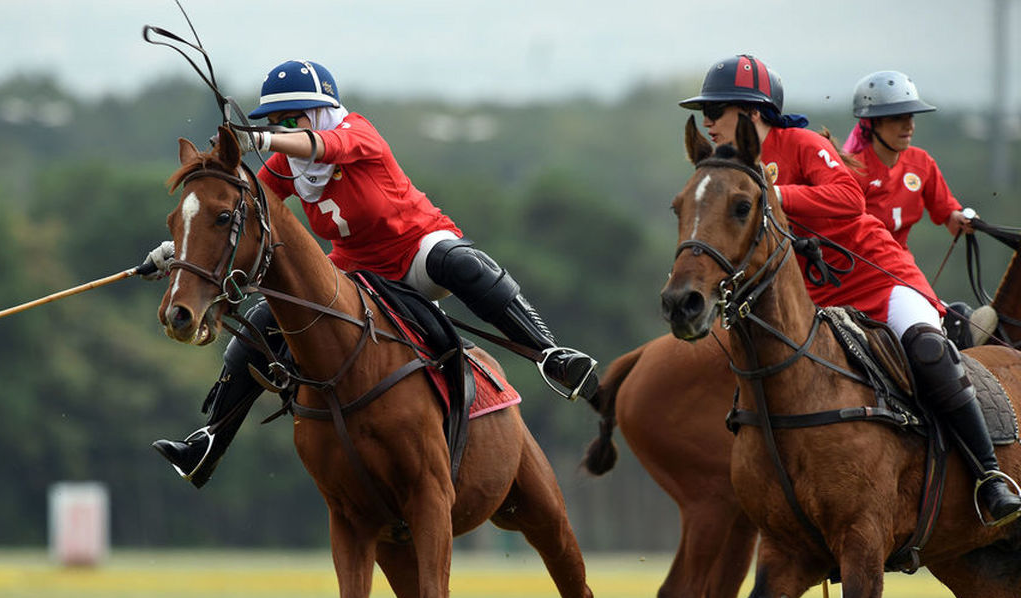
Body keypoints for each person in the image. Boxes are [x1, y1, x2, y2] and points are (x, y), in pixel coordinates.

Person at [147, 59, 599, 487]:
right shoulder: (289, 166)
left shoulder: (355, 132)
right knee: (266, 317)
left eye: (289, 120)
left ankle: (550, 354)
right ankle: (209, 442)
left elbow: (327, 147)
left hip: (416, 251)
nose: (279, 130)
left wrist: (262, 140)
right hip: (355, 271)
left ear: (319, 113)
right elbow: (240, 211)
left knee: (462, 263)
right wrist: (179, 249)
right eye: (272, 121)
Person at [679, 54, 1021, 527]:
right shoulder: (730, 168)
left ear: (752, 112)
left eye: (716, 111)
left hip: (881, 279)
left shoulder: (797, 143)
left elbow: (848, 197)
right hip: (822, 299)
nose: (708, 121)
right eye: (705, 113)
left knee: (926, 347)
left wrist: (775, 197)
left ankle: (990, 476)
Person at [843, 70, 972, 250]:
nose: (909, 126)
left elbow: (948, 214)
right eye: (897, 118)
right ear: (871, 123)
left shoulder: (922, 162)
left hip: (899, 258)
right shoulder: (853, 171)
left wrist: (959, 218)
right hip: (859, 262)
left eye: (910, 116)